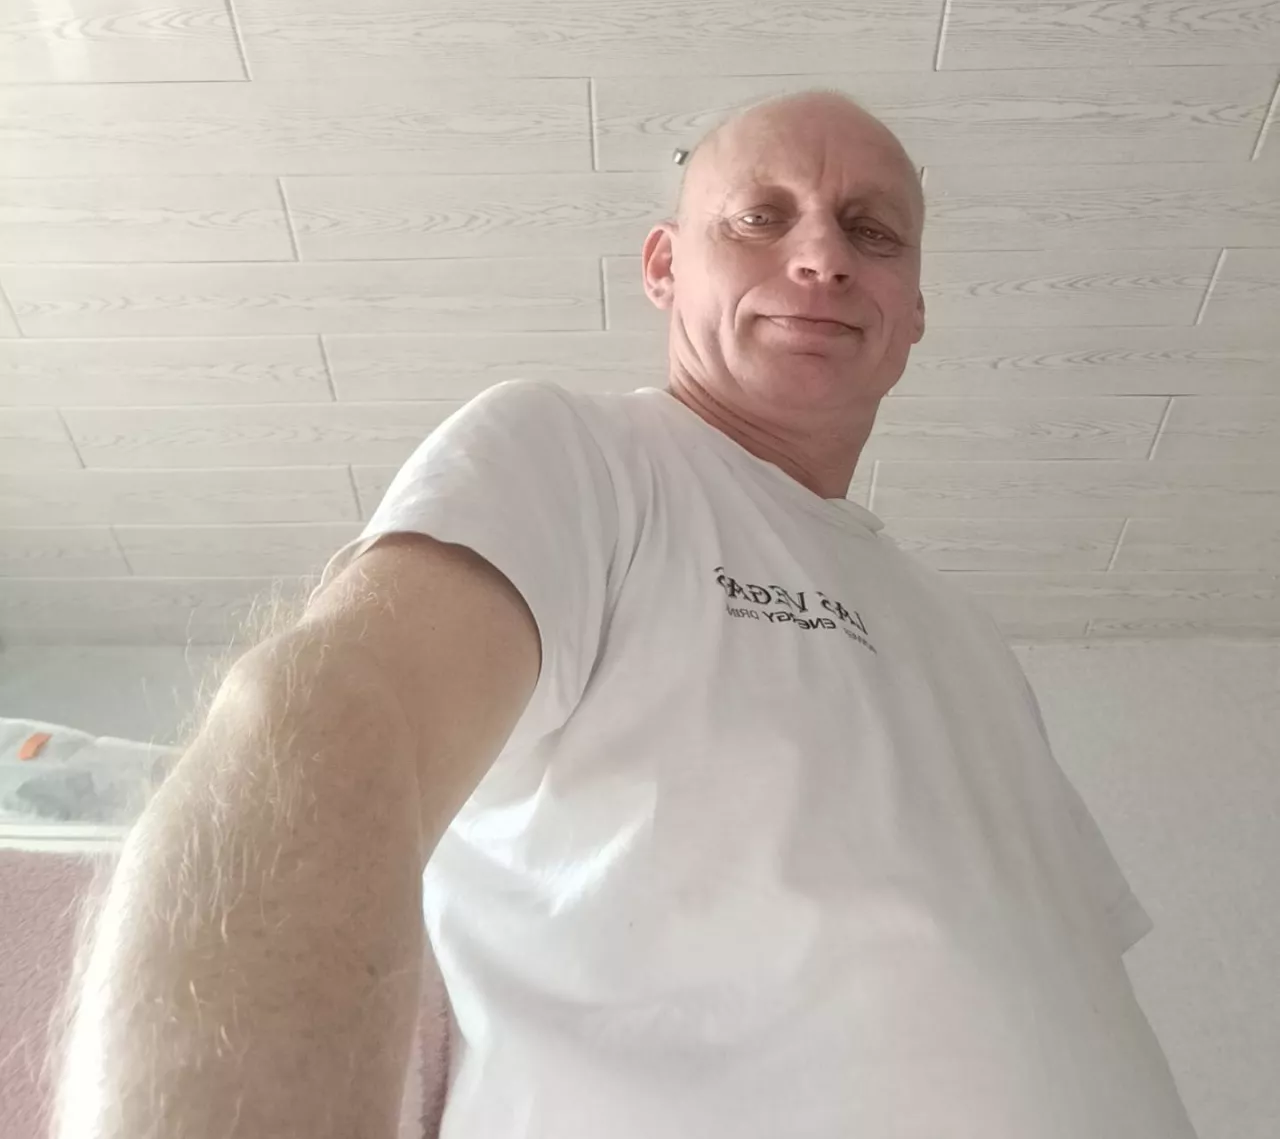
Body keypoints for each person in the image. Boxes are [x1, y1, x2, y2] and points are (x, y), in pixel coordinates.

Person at [51, 89, 1198, 1139]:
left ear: (913, 313)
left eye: (871, 232)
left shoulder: (969, 639)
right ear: (663, 266)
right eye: (759, 218)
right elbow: (318, 724)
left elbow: (1060, 979)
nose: (820, 258)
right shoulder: (578, 459)